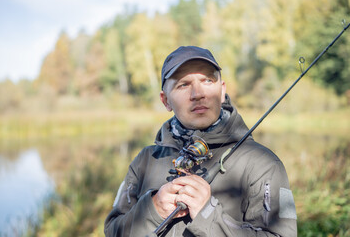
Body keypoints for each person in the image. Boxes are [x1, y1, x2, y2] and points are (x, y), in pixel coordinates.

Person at [104, 46, 297, 236]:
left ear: (222, 91)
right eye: (183, 85)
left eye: (207, 80)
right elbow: (113, 230)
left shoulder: (264, 163)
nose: (198, 94)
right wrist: (152, 210)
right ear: (165, 101)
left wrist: (208, 216)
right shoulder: (144, 160)